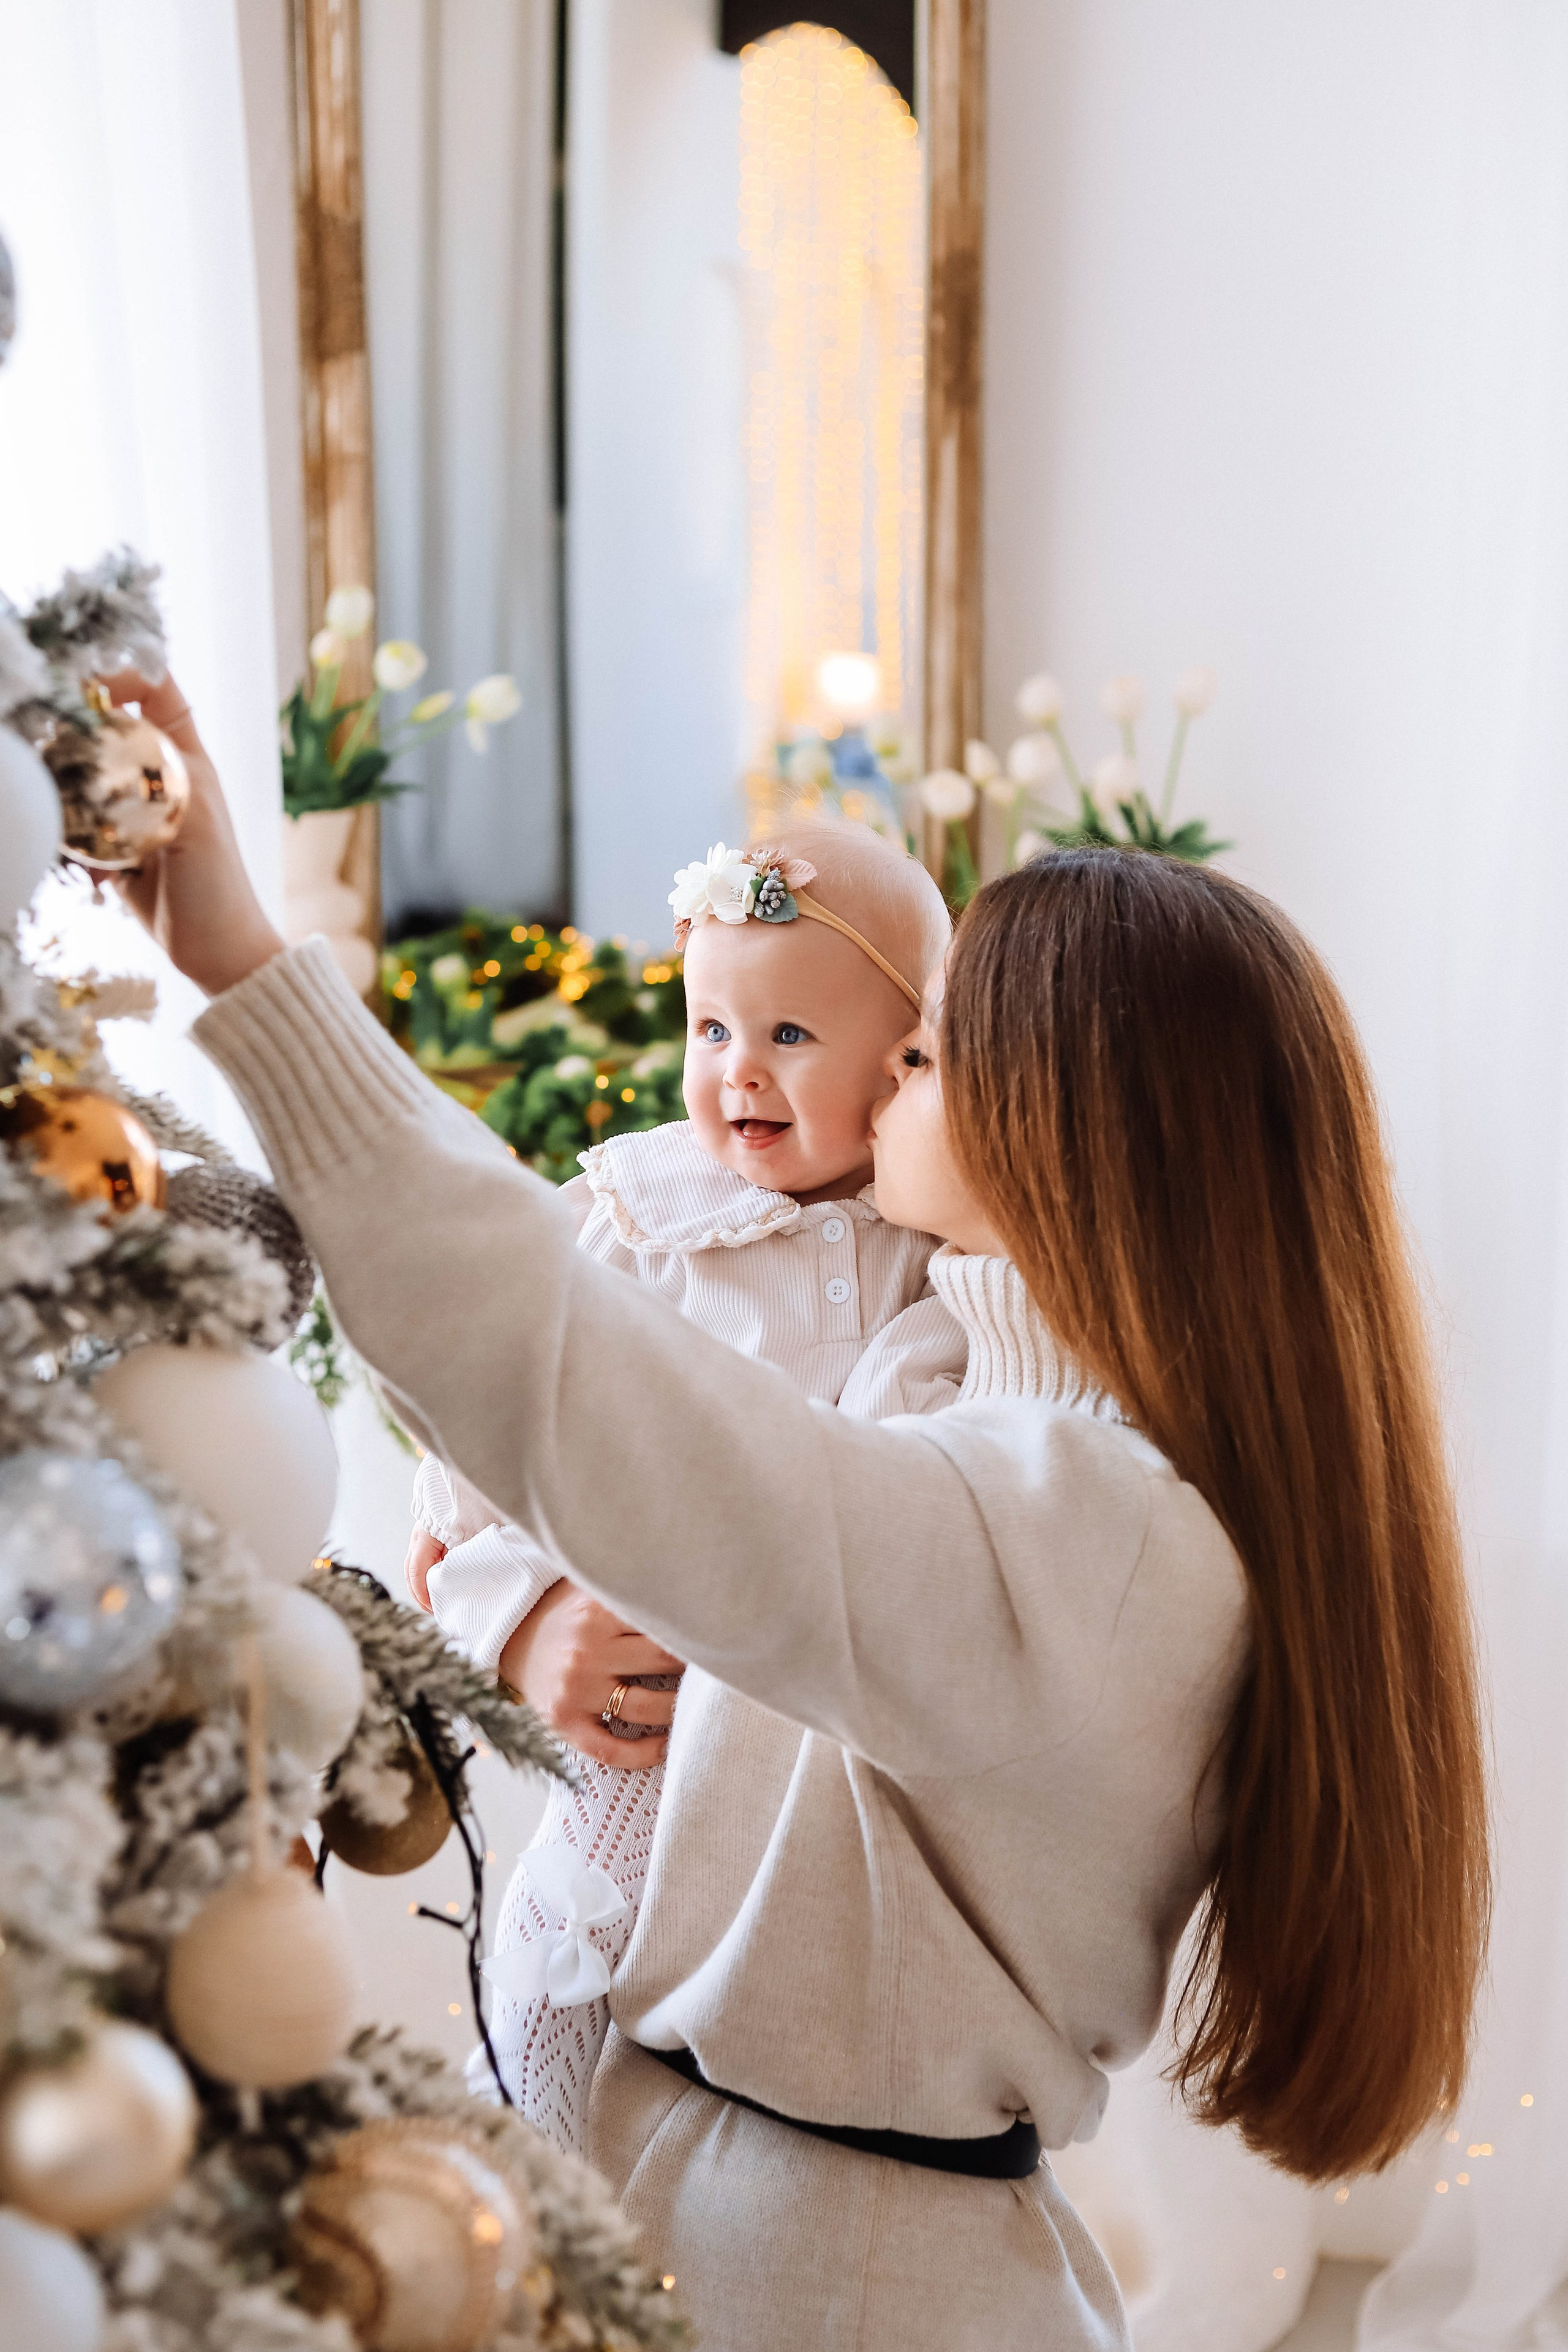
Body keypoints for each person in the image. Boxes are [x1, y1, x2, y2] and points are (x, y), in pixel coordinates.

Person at [113, 671, 1490, 2352]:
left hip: (829, 2285)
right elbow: (629, 1480)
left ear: (1072, 1120)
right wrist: (527, 1617)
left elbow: (582, 1382)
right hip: (731, 2215)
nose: (889, 1074)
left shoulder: (1088, 1534)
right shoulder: (976, 1418)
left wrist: (251, 964)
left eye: (929, 1046)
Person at [402, 824, 965, 2152]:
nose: (736, 1076)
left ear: (905, 1061)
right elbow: (485, 1406)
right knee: (573, 1927)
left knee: (760, 2007)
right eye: (709, 1030)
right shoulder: (639, 1207)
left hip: (823, 1726)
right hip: (647, 1672)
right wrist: (505, 1616)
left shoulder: (926, 1235)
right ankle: (519, 2162)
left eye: (786, 1038)